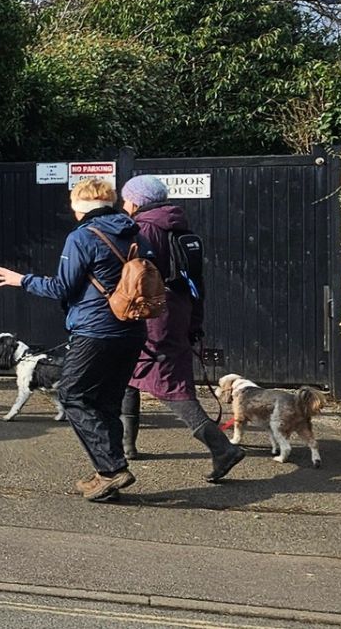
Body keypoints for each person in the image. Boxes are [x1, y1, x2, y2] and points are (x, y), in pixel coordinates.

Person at [0, 177, 148, 502]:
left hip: (94, 331)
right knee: (105, 403)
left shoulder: (83, 237)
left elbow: (62, 288)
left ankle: (113, 468)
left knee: (73, 395)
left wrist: (23, 280)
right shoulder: (135, 232)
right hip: (132, 330)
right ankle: (106, 475)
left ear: (79, 207)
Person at [119, 175, 244, 481]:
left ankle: (223, 448)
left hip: (153, 318)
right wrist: (195, 321)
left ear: (136, 201)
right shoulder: (180, 228)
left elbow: (133, 278)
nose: (123, 205)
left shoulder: (144, 230)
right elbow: (195, 283)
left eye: (126, 199)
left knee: (171, 387)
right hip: (177, 313)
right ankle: (127, 446)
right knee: (129, 375)